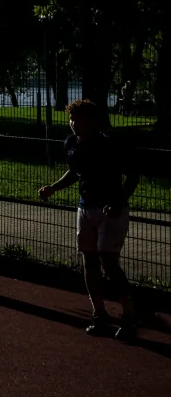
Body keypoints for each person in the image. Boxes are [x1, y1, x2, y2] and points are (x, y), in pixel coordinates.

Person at [38, 98, 142, 339]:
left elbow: (134, 175)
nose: (74, 124)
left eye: (79, 119)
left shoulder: (109, 145)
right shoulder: (72, 144)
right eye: (72, 119)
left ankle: (129, 315)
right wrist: (53, 188)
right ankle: (100, 314)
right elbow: (75, 172)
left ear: (93, 122)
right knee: (89, 261)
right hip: (85, 208)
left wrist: (118, 202)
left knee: (109, 261)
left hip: (111, 211)